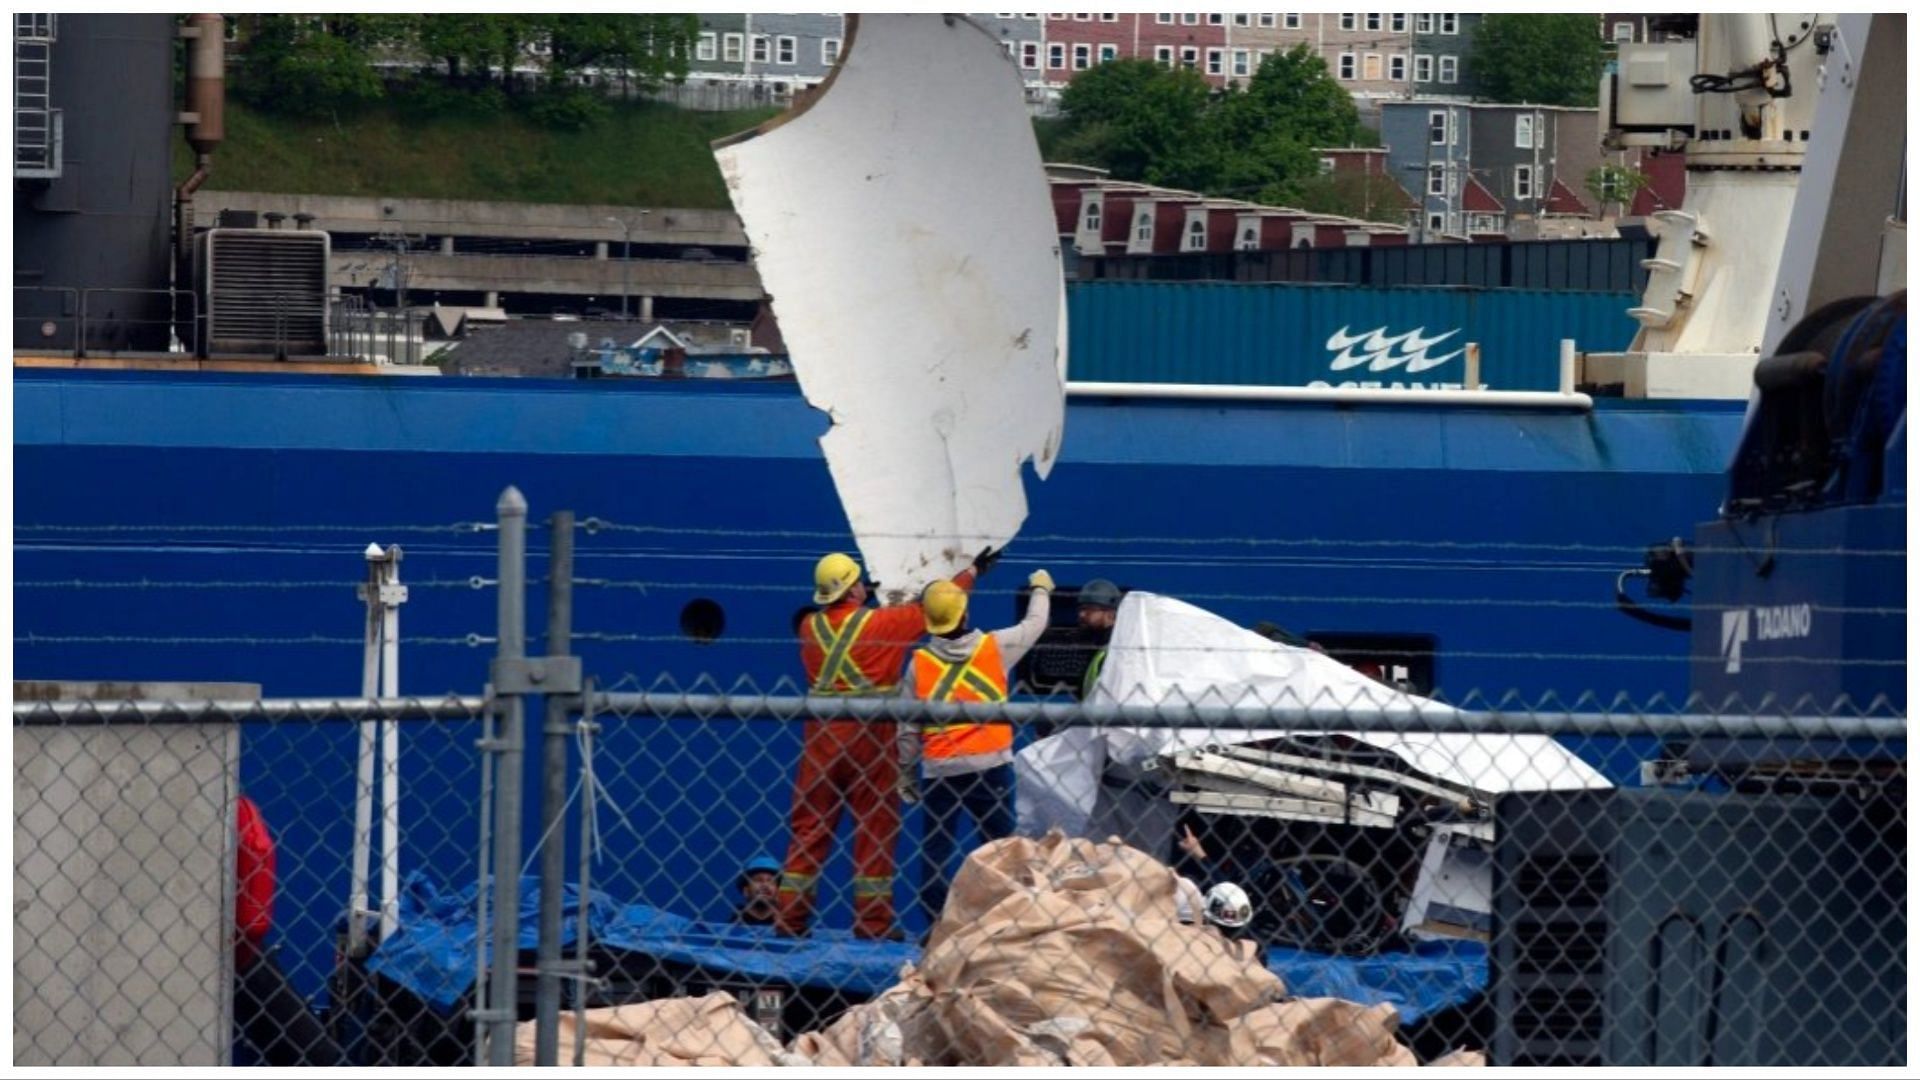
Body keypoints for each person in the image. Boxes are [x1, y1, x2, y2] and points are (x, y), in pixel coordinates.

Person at [776, 548, 994, 940]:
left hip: (822, 738)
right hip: (871, 737)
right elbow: (936, 607)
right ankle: (873, 925)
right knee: (874, 827)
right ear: (854, 589)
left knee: (810, 826)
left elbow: (844, 633)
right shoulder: (883, 624)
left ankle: (790, 920)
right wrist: (971, 573)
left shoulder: (809, 627)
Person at [902, 568, 1055, 929]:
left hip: (941, 770)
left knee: (937, 850)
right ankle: (1010, 918)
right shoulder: (994, 648)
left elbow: (907, 728)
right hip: (990, 767)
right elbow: (1035, 624)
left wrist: (906, 773)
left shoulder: (919, 664)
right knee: (1002, 848)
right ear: (965, 613)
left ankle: (936, 926)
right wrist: (1040, 589)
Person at [234, 796, 344, 1066]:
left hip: (237, 949)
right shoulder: (236, 809)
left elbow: (251, 922)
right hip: (238, 950)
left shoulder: (234, 809)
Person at [1074, 578, 1122, 700]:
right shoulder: (1097, 646)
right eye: (1081, 609)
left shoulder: (1115, 651)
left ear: (1110, 614)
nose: (1082, 615)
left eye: (1090, 610)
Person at [734, 855, 782, 927]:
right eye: (758, 880)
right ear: (746, 891)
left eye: (771, 881)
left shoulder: (791, 929)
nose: (765, 885)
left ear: (778, 892)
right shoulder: (731, 929)